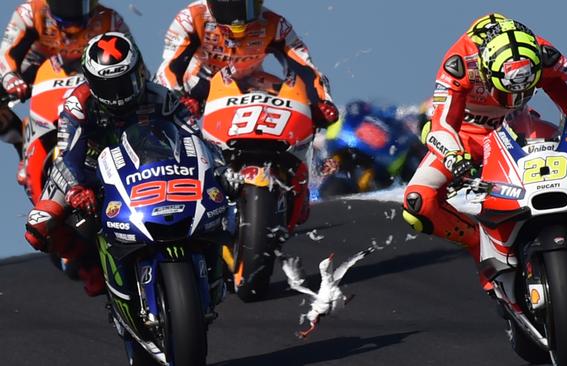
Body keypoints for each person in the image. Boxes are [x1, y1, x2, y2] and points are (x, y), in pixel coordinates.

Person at [402, 14, 567, 288]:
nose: (514, 97)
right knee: (417, 203)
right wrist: (455, 156)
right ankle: (479, 242)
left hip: (520, 125)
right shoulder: (459, 63)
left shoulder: (543, 53)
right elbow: (440, 124)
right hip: (466, 138)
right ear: (486, 69)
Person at [24, 32, 206, 296]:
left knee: (220, 183)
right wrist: (76, 189)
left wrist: (213, 168)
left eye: (124, 82)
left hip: (151, 166)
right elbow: (67, 156)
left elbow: (195, 140)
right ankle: (88, 265)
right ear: (91, 82)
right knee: (37, 226)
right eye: (108, 86)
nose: (118, 95)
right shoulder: (77, 105)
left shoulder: (161, 96)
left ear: (139, 72)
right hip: (93, 169)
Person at [0, 0, 131, 185]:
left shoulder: (110, 20)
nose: (71, 11)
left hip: (88, 70)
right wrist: (10, 77)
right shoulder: (29, 12)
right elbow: (6, 55)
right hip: (36, 67)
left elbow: (133, 62)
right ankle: (22, 146)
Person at [154, 0, 338, 127]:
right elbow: (169, 67)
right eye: (229, 8)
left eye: (247, 7)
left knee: (300, 105)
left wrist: (321, 102)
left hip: (248, 81)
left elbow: (306, 68)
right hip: (199, 82)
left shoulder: (276, 24)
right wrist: (179, 98)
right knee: (164, 106)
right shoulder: (191, 18)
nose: (238, 20)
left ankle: (296, 166)